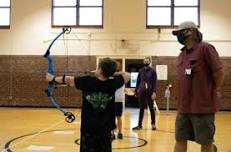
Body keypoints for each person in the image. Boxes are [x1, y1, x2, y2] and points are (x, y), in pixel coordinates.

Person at [46, 58, 130, 152]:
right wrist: (110, 73)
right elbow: (127, 75)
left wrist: (52, 78)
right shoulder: (114, 82)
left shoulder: (87, 81)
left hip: (89, 128)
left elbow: (68, 79)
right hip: (106, 128)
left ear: (100, 69)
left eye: (98, 68)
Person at [172, 21, 224, 152]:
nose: (177, 36)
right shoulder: (181, 55)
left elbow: (219, 73)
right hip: (183, 107)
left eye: (179, 33)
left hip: (202, 107)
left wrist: (211, 90)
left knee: (205, 141)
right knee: (180, 138)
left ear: (189, 32)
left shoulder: (206, 48)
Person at [132, 57, 157, 130]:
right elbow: (138, 82)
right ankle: (139, 125)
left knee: (151, 108)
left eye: (147, 61)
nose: (146, 62)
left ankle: (153, 124)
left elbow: (154, 82)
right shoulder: (140, 71)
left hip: (150, 92)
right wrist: (136, 91)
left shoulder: (153, 71)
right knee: (141, 109)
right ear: (143, 62)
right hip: (141, 92)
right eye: (145, 61)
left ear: (150, 62)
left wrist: (154, 92)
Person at [112, 61, 125, 140]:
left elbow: (126, 74)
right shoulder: (110, 76)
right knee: (111, 117)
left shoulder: (122, 76)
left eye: (117, 65)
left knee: (118, 117)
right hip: (111, 99)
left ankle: (120, 133)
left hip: (119, 100)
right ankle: (112, 133)